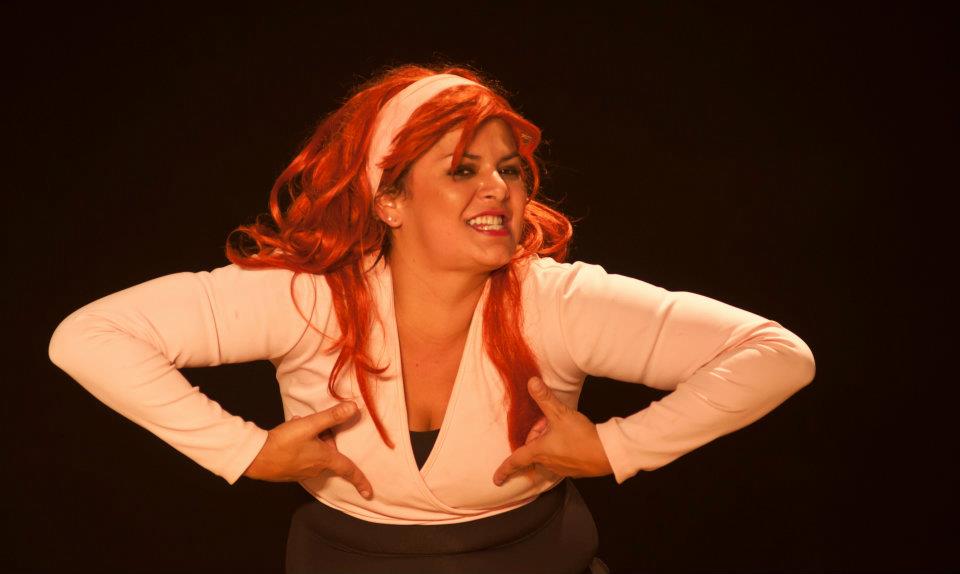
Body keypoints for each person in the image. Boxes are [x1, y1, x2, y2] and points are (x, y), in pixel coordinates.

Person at [48, 65, 816, 573]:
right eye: (462, 170)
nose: (498, 189)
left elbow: (776, 353)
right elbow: (90, 338)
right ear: (390, 201)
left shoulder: (559, 300)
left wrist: (619, 446)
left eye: (509, 169)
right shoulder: (308, 297)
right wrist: (244, 452)